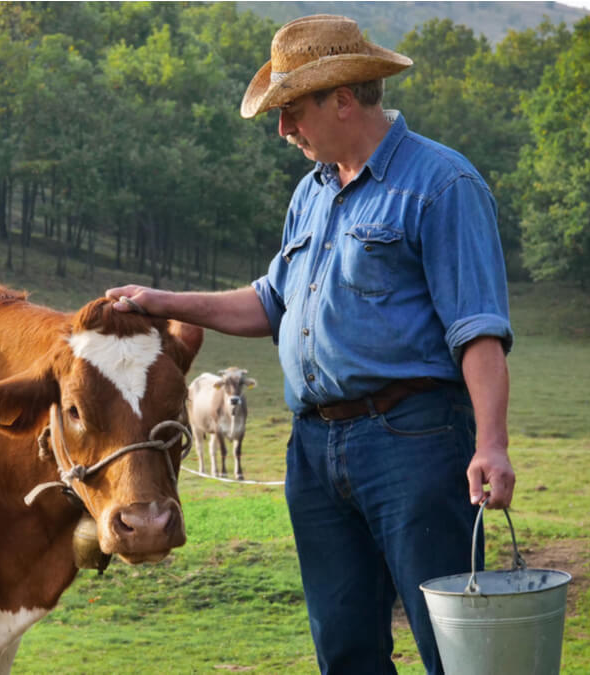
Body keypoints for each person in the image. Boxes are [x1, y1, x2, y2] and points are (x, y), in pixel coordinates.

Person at [106, 14, 515, 675]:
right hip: (315, 452)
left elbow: (478, 329)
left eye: (292, 110)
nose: (283, 129)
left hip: (412, 441)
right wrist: (161, 300)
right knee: (345, 648)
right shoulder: (312, 194)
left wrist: (490, 442)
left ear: (343, 99)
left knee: (457, 642)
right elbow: (270, 302)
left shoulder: (441, 184)